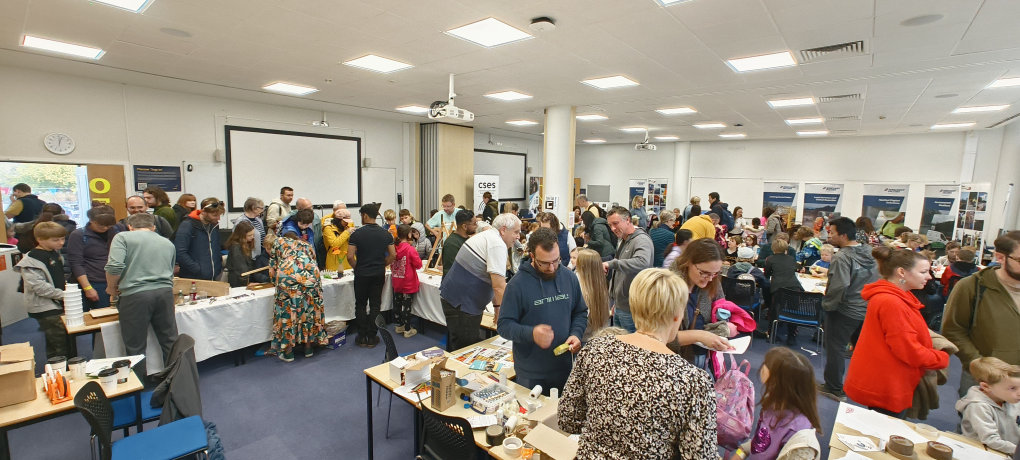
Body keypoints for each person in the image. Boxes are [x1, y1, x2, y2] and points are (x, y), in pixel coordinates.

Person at [558, 269, 719, 459]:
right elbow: (700, 456)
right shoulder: (694, 381)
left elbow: (568, 420)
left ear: (634, 308)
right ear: (677, 316)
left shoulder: (595, 349)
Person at [842, 246, 949, 417]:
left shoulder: (896, 297)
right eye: (923, 272)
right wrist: (940, 358)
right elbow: (907, 349)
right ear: (902, 272)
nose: (929, 277)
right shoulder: (892, 302)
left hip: (889, 378)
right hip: (889, 383)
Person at [497, 228, 588, 393]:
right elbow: (504, 326)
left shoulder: (569, 277)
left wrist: (576, 333)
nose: (552, 268)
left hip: (565, 368)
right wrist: (531, 333)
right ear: (532, 256)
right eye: (545, 263)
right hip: (531, 374)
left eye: (556, 260)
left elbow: (580, 312)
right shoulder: (517, 285)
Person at [943, 231, 1020, 398]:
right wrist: (978, 363)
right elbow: (953, 330)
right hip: (985, 380)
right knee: (978, 423)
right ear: (1000, 258)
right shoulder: (972, 287)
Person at [104, 213, 178, 368]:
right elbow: (171, 270)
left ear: (130, 226)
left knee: (135, 345)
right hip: (164, 292)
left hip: (135, 294)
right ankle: (174, 379)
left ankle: (138, 384)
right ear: (153, 227)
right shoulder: (167, 242)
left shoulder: (122, 237)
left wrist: (112, 288)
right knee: (170, 340)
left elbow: (114, 267)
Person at [819, 217, 879, 401]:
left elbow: (839, 285)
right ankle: (868, 387)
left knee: (835, 348)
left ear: (843, 236)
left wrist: (828, 306)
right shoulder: (870, 252)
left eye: (832, 233)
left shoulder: (842, 257)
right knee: (864, 350)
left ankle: (834, 388)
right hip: (867, 308)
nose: (829, 235)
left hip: (844, 310)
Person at [440, 213, 520, 350]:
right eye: (516, 232)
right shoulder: (497, 244)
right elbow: (499, 287)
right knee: (464, 350)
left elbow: (492, 281)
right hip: (463, 304)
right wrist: (508, 317)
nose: (518, 236)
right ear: (503, 230)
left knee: (458, 344)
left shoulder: (489, 237)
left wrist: (497, 309)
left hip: (458, 301)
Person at [730, 347, 821, 460]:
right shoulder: (773, 403)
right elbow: (759, 440)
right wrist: (741, 452)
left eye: (767, 364)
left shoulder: (800, 439)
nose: (763, 367)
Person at [668, 238, 735, 362]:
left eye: (715, 273)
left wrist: (724, 327)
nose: (709, 279)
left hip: (704, 358)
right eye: (704, 273)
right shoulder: (668, 288)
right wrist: (700, 336)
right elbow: (663, 337)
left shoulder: (712, 282)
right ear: (688, 262)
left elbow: (720, 313)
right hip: (673, 360)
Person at [265, 229, 328, 361]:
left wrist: (275, 283)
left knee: (288, 313)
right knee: (309, 311)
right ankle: (308, 348)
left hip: (288, 278)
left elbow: (272, 268)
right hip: (311, 279)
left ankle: (288, 353)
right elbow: (314, 262)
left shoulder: (278, 242)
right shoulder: (307, 245)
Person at [13, 222, 69, 359]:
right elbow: (39, 287)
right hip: (44, 307)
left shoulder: (54, 254)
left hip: (57, 301)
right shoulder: (32, 259)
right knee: (59, 342)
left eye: (63, 239)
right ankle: (60, 371)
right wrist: (64, 295)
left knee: (56, 341)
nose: (61, 243)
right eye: (56, 240)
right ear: (40, 239)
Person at [348, 203, 396, 348]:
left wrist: (358, 268)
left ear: (365, 215)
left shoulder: (356, 234)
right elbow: (393, 255)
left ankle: (362, 336)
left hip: (362, 273)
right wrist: (382, 265)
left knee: (361, 304)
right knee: (375, 305)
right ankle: (372, 336)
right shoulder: (386, 234)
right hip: (378, 273)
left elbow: (350, 256)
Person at [604, 206, 654, 332]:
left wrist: (612, 264)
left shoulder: (641, 240)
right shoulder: (623, 240)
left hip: (632, 308)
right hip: (621, 305)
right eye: (610, 225)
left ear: (628, 220)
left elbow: (642, 262)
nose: (613, 228)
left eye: (615, 223)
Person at [956, 357, 1020, 454]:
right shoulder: (978, 406)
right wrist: (1017, 451)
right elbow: (990, 439)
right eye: (1012, 388)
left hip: (1008, 452)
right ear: (986, 387)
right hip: (981, 452)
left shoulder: (1010, 398)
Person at [66, 205, 119, 311]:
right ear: (91, 221)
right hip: (94, 282)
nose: (105, 228)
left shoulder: (117, 230)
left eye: (108, 226)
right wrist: (87, 288)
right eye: (101, 225)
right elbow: (76, 264)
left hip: (116, 281)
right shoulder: (78, 235)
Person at [174, 197, 224, 281]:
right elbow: (180, 252)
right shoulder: (187, 225)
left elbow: (215, 247)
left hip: (213, 276)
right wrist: (197, 269)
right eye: (215, 215)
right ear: (204, 212)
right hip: (194, 278)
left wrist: (218, 266)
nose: (218, 218)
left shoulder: (214, 225)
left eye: (219, 215)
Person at [391, 224, 423, 338]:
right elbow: (419, 265)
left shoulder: (393, 247)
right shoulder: (410, 249)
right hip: (408, 282)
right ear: (409, 234)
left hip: (397, 281)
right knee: (407, 307)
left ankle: (400, 325)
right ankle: (408, 329)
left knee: (398, 304)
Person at [575, 248, 610, 341]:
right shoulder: (601, 284)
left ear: (581, 265)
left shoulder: (577, 284)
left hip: (582, 338)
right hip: (598, 336)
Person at [225, 220, 269, 288]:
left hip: (244, 279)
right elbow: (241, 269)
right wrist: (247, 283)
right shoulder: (236, 248)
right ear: (241, 235)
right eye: (249, 235)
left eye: (253, 235)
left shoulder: (245, 244)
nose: (252, 237)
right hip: (238, 281)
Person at [440, 210, 475, 276]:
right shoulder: (452, 244)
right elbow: (451, 271)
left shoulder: (468, 239)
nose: (476, 226)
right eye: (474, 224)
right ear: (464, 226)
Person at [322, 203, 353, 271]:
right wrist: (347, 232)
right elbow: (334, 244)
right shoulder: (328, 228)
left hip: (348, 261)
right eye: (345, 222)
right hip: (334, 263)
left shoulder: (347, 226)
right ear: (339, 220)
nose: (347, 223)